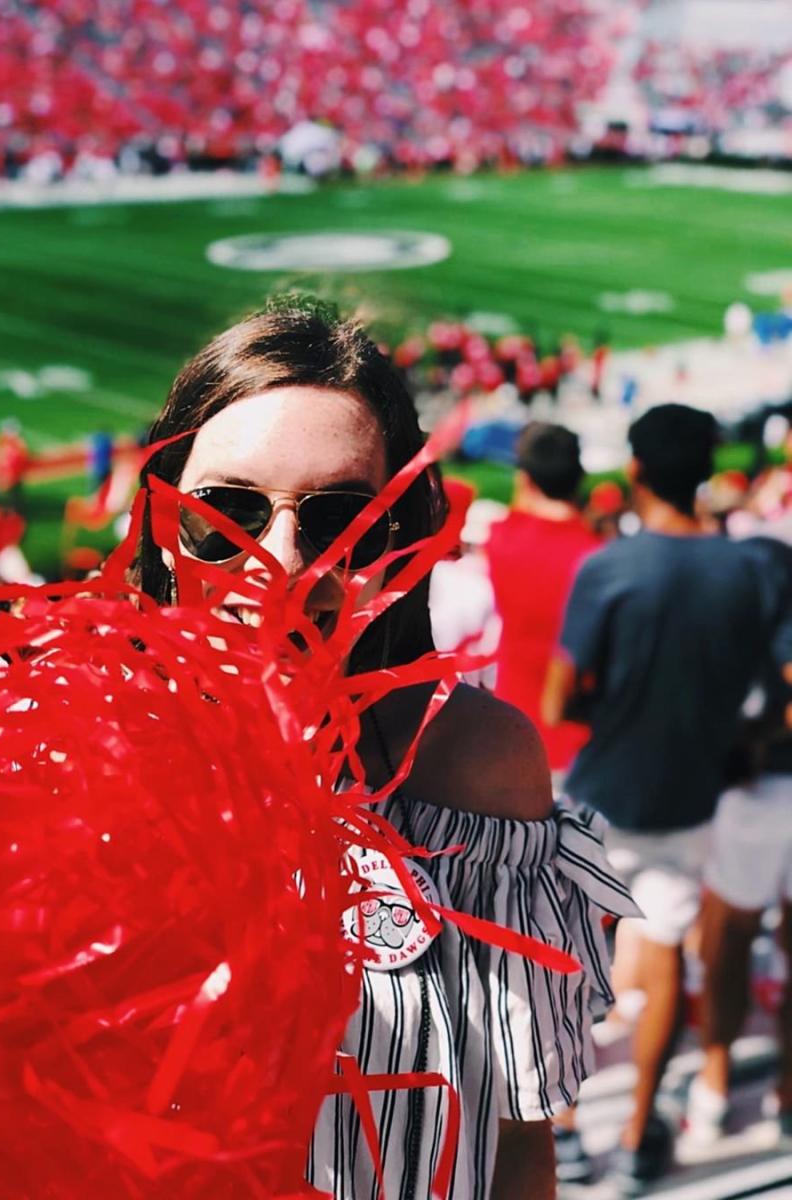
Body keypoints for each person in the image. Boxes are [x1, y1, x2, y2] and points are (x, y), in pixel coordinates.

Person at [133, 299, 636, 1200]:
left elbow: (516, 1141)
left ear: (396, 543)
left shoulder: (472, 769)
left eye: (337, 518)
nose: (279, 560)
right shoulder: (34, 757)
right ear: (164, 526)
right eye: (228, 509)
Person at [543, 403, 774, 1193]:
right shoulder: (749, 567)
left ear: (635, 471)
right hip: (690, 790)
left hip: (607, 784)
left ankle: (568, 1123)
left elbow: (559, 698)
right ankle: (641, 1125)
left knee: (574, 953)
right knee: (668, 948)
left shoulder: (610, 566)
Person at [690, 533, 792, 1142]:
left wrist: (750, 740)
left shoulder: (747, 623)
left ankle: (716, 1074)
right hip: (758, 794)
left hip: (757, 795)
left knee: (729, 941)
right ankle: (781, 1085)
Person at [485, 423, 600, 785]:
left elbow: (517, 511)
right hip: (579, 738)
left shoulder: (501, 539)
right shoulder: (597, 556)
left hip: (513, 731)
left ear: (525, 479)